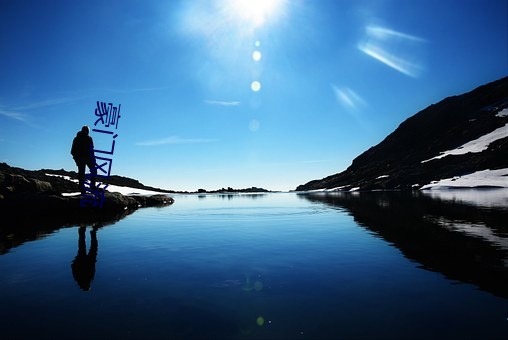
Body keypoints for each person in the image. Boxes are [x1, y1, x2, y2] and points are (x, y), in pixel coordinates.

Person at [71, 125, 96, 194]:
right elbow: (91, 150)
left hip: (82, 158)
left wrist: (76, 158)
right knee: (91, 171)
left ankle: (83, 188)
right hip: (85, 158)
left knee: (82, 172)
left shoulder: (77, 138)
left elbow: (72, 151)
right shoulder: (87, 138)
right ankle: (90, 187)